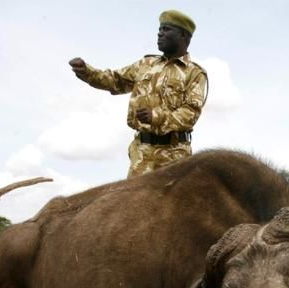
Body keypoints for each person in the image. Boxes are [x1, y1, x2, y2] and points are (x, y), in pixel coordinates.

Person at [69, 10, 208, 177]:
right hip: (142, 153)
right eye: (160, 29)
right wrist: (86, 72)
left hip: (174, 154)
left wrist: (156, 116)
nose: (159, 33)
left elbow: (190, 113)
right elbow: (115, 80)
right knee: (134, 202)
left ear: (184, 36)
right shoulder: (145, 64)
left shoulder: (195, 73)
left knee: (173, 203)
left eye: (166, 29)